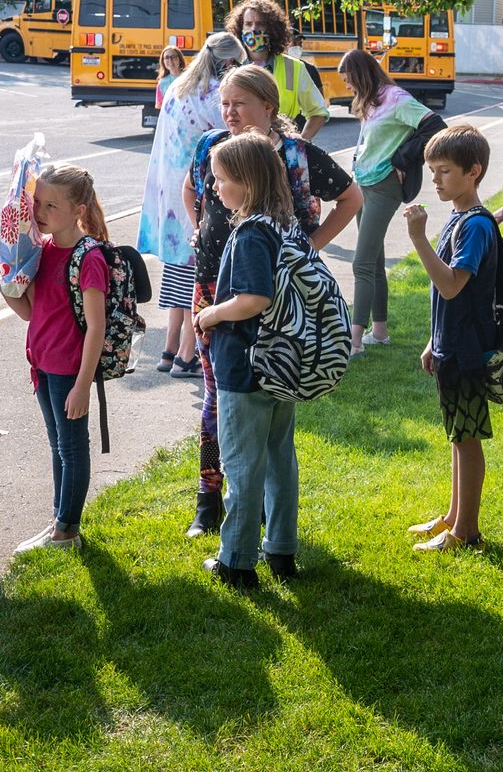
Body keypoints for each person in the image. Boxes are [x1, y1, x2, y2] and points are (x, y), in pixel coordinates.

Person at [182, 64, 362, 537]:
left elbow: (351, 197)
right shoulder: (210, 147)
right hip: (213, 295)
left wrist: (308, 250)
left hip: (271, 300)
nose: (230, 112)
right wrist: (198, 227)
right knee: (217, 397)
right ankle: (210, 498)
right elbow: (191, 188)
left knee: (264, 399)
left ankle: (256, 511)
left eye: (239, 103)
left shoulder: (297, 155)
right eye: (224, 103)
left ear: (269, 105)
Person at [192, 133, 297, 588]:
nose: (215, 188)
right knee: (279, 459)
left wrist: (210, 313)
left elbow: (253, 297)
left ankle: (236, 560)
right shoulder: (282, 224)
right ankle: (281, 548)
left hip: (246, 363)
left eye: (221, 179)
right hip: (280, 361)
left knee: (242, 465)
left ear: (247, 182)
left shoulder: (252, 231)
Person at [1, 165, 113, 555]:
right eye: (37, 203)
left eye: (51, 205)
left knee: (71, 448)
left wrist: (83, 385)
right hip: (42, 364)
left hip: (69, 370)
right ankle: (59, 520)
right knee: (57, 446)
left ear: (78, 209)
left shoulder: (89, 257)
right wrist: (6, 281)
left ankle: (67, 531)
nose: (40, 212)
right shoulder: (43, 251)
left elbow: (95, 327)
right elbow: (31, 312)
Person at [405, 124, 500, 552]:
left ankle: (466, 531)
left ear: (473, 172)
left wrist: (418, 239)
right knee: (457, 436)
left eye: (444, 171)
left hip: (466, 351)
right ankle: (453, 516)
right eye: (432, 171)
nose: (436, 180)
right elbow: (448, 301)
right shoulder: (460, 218)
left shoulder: (477, 226)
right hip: (450, 345)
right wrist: (432, 340)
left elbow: (450, 286)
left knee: (467, 439)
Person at [141, 31, 245, 377]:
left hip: (170, 191)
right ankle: (187, 355)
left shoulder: (178, 87)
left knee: (177, 272)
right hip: (200, 191)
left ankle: (169, 350)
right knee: (197, 275)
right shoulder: (217, 96)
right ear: (229, 63)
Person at [341, 47, 430, 355]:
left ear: (362, 75)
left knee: (361, 263)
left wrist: (403, 159)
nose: (347, 87)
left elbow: (434, 127)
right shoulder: (372, 101)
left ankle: (353, 342)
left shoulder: (396, 99)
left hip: (383, 186)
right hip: (364, 185)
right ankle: (379, 333)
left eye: (349, 80)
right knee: (374, 262)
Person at [227, 0, 326, 143]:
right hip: (242, 152)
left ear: (272, 29)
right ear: (240, 29)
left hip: (282, 152)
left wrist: (299, 143)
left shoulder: (294, 67)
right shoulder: (229, 68)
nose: (254, 29)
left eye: (260, 24)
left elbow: (318, 112)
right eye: (248, 24)